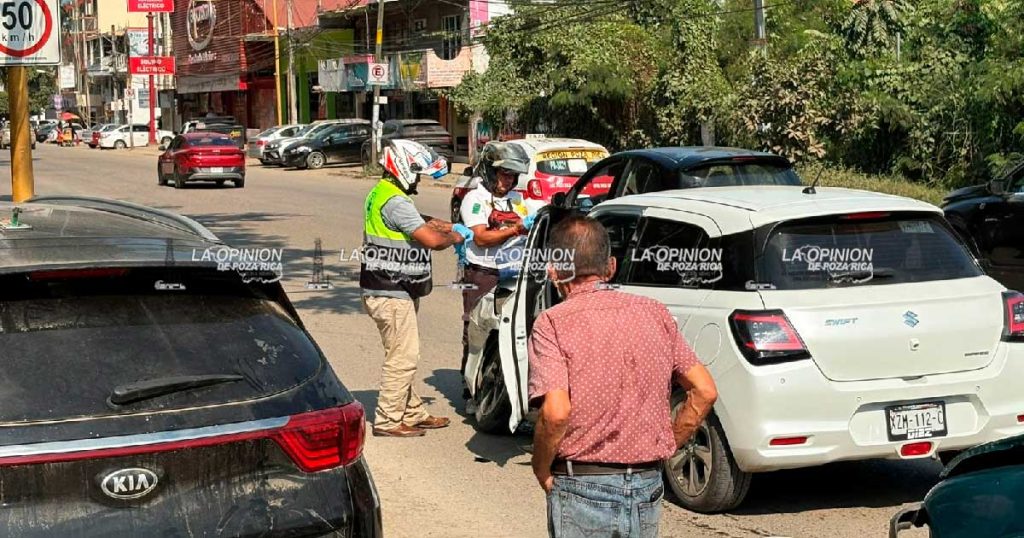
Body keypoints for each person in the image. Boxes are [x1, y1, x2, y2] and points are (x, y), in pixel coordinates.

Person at [528, 216, 719, 537]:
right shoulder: (655, 312)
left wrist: (541, 467)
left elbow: (556, 413)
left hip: (582, 483)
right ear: (611, 266)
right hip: (646, 484)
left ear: (553, 271)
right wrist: (667, 445)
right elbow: (705, 390)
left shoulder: (552, 322)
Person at [361, 139, 471, 438]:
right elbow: (431, 241)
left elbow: (419, 221)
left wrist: (450, 226)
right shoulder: (396, 201)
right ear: (405, 168)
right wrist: (456, 238)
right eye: (418, 174)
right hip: (390, 290)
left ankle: (412, 412)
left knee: (400, 353)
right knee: (403, 358)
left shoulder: (383, 192)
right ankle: (388, 420)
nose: (419, 180)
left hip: (388, 287)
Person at [458, 151, 533, 382]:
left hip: (512, 271)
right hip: (482, 272)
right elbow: (481, 238)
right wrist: (516, 229)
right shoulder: (475, 199)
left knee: (508, 329)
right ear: (491, 172)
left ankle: (498, 381)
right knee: (476, 329)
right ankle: (470, 383)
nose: (509, 180)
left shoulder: (517, 199)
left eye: (513, 176)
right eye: (504, 174)